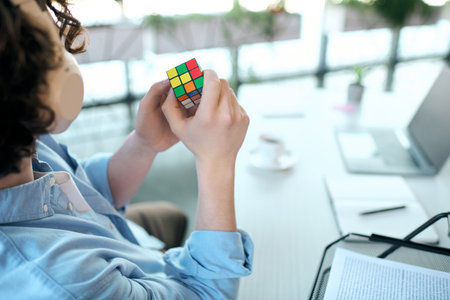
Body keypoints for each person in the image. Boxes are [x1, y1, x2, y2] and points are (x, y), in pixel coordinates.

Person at [0, 0, 253, 298]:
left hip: (131, 243)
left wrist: (144, 144)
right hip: (154, 278)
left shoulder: (22, 135)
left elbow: (83, 194)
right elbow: (206, 294)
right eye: (48, 39)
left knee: (171, 215)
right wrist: (217, 162)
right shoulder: (63, 284)